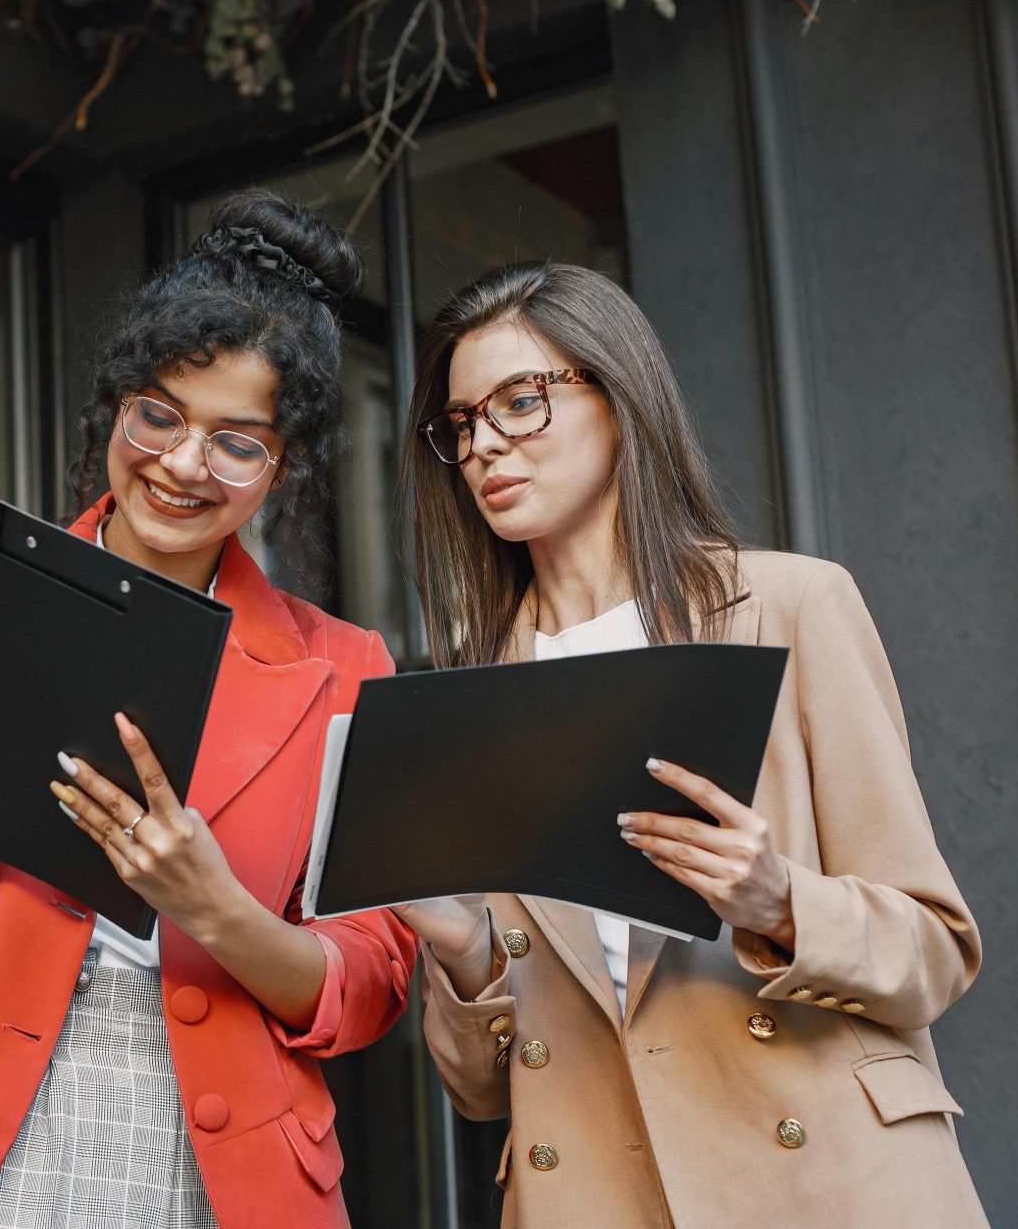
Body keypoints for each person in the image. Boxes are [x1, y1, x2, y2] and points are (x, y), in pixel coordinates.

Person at [0, 189, 417, 1228]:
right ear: (118, 406)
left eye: (238, 442)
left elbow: (370, 978)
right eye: (160, 415)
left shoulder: (344, 669)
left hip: (223, 1168)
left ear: (283, 465)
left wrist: (215, 906)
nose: (184, 464)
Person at [392, 261, 987, 1227]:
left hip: (828, 1181)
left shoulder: (792, 605)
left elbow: (935, 951)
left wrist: (779, 901)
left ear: (620, 401)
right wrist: (464, 956)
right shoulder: (474, 695)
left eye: (521, 401)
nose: (485, 445)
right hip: (602, 1197)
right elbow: (480, 1089)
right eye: (461, 424)